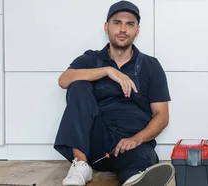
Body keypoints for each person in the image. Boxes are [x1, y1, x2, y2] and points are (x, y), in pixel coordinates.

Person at [52, 1, 174, 185]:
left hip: (132, 143)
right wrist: (107, 71)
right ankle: (81, 165)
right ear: (106, 27)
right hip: (95, 142)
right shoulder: (90, 59)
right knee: (78, 84)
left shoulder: (151, 65)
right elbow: (63, 80)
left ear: (137, 30)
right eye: (117, 22)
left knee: (142, 159)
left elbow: (162, 115)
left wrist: (136, 139)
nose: (123, 29)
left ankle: (135, 179)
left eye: (129, 24)